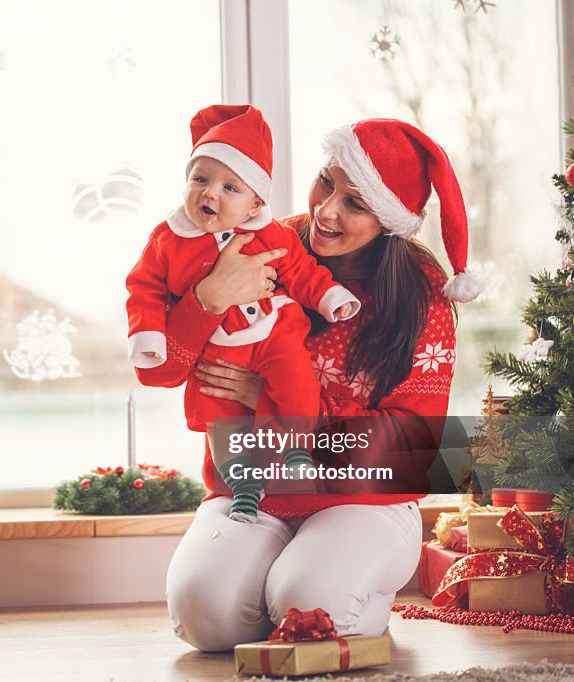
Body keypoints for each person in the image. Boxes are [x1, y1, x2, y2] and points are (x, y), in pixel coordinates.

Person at [136, 118, 483, 651]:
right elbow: (158, 371)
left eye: (356, 203)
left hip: (365, 498)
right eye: (326, 182)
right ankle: (294, 588)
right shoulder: (258, 241)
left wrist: (271, 401)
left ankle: (339, 588)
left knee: (306, 598)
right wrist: (208, 299)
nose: (326, 211)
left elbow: (411, 442)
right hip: (253, 487)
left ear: (390, 219)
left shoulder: (420, 290)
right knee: (204, 615)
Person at [126, 104, 360, 522]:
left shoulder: (273, 234)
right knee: (217, 412)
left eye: (230, 187)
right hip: (218, 347)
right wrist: (153, 334)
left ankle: (297, 447)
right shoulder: (167, 240)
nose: (210, 192)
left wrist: (329, 297)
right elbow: (143, 287)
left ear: (254, 205)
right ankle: (242, 484)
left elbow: (302, 271)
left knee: (294, 378)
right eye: (200, 179)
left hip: (274, 332)